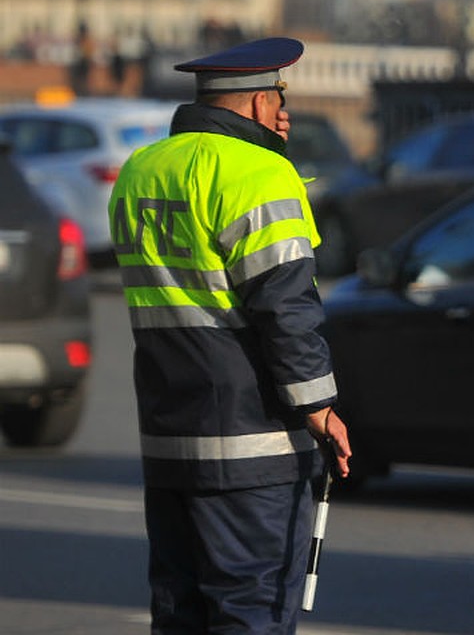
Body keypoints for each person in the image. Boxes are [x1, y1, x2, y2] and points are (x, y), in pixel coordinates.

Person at [108, 37, 351, 634]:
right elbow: (286, 306)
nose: (283, 113)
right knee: (251, 611)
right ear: (254, 103)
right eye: (277, 98)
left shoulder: (141, 167)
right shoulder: (261, 174)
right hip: (252, 449)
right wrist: (319, 408)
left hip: (169, 438)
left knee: (179, 614)